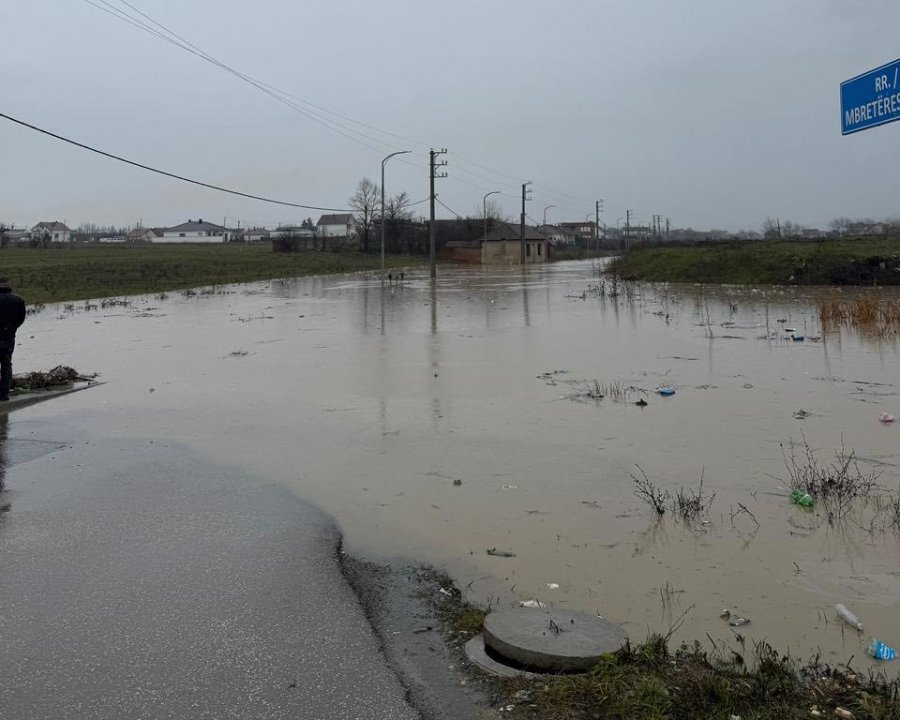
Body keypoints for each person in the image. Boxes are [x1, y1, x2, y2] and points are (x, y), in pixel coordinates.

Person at [0, 278, 26, 402]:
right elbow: (21, 318)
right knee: (6, 364)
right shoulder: (18, 300)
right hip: (9, 336)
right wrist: (12, 328)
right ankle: (4, 394)